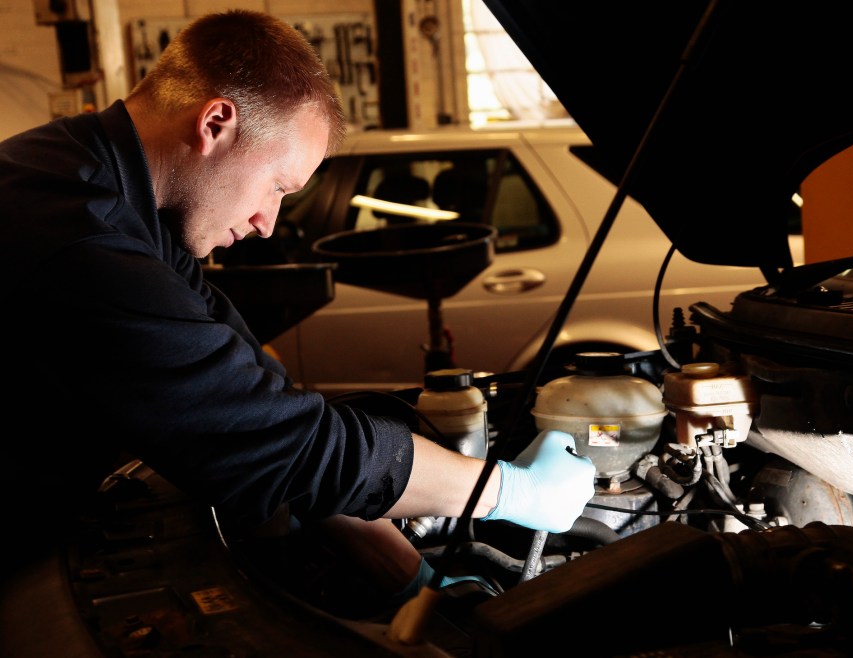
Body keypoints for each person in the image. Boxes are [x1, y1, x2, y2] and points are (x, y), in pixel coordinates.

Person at [0, 9, 595, 603]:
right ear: (215, 123)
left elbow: (267, 413)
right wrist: (509, 492)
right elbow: (282, 446)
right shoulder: (81, 239)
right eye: (278, 187)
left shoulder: (122, 200)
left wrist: (416, 584)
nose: (267, 224)